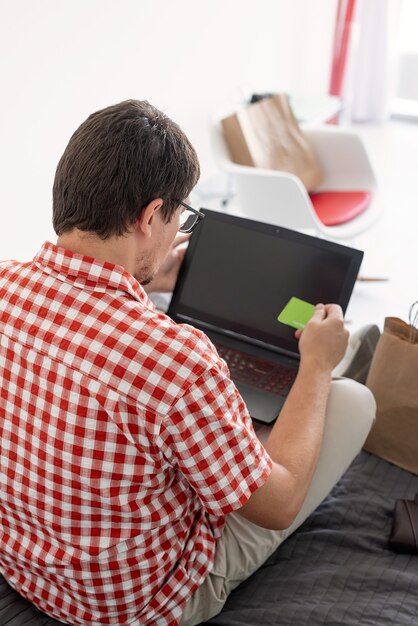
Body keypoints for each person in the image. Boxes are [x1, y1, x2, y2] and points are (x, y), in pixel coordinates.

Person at [0, 100, 376, 626]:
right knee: (354, 397)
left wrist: (145, 275)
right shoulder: (178, 358)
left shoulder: (6, 287)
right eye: (180, 216)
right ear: (151, 216)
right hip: (132, 605)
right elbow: (280, 503)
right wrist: (314, 366)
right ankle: (334, 360)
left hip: (27, 570)